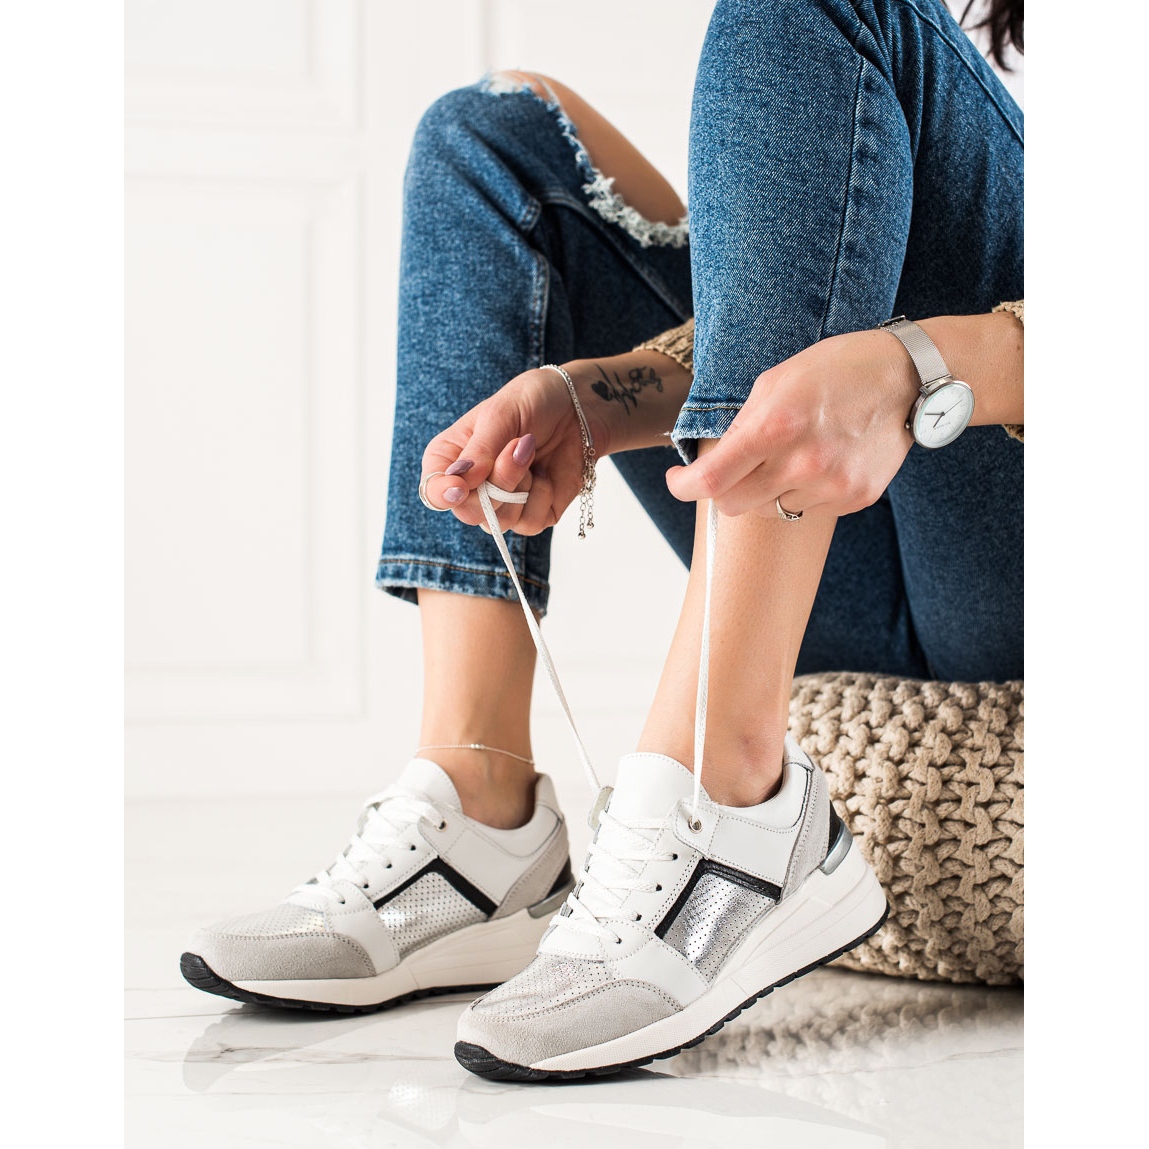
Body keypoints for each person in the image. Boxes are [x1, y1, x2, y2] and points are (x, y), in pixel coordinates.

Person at [181, 0, 1023, 1081]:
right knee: (489, 137)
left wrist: (924, 366)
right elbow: (827, 281)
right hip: (877, 533)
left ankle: (727, 792)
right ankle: (481, 811)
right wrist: (599, 395)